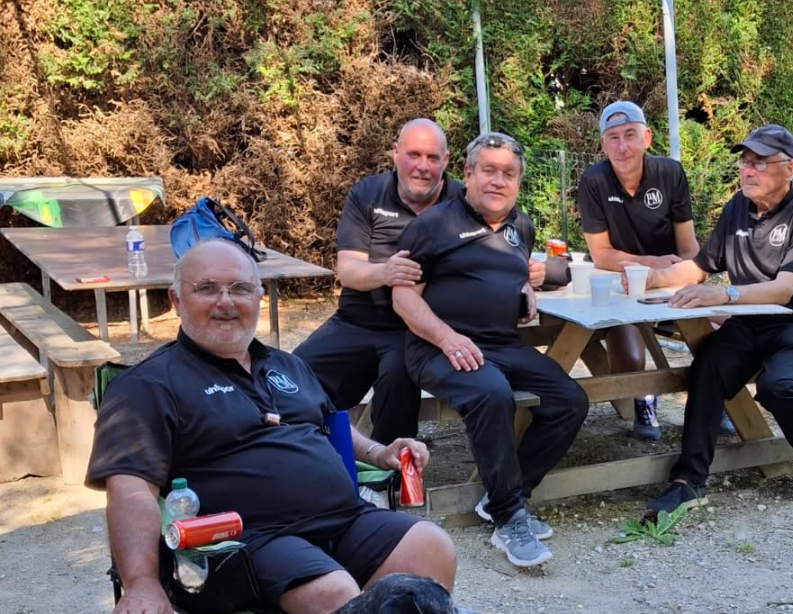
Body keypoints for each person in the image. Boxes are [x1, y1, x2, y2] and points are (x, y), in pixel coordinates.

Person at [86, 238, 515, 614]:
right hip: (244, 543)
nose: (225, 302)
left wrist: (384, 453)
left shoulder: (287, 365)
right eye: (207, 289)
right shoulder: (150, 386)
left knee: (430, 546)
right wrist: (142, 581)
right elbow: (129, 487)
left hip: (338, 518)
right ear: (176, 299)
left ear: (260, 298)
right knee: (341, 599)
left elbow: (332, 431)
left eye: (239, 288)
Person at [392, 132, 589, 568]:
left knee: (570, 400)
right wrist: (447, 338)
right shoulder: (433, 225)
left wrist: (525, 290)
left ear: (518, 182)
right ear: (467, 174)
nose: (499, 181)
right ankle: (508, 518)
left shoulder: (521, 225)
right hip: (436, 348)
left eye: (509, 174)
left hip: (501, 344)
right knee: (491, 393)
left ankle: (506, 496)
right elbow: (402, 297)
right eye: (489, 170)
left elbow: (514, 274)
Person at [640, 124, 793, 514]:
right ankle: (689, 481)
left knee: (778, 385)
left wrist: (725, 294)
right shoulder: (738, 205)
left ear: (789, 169)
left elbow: (783, 290)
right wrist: (652, 280)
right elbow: (701, 266)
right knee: (706, 368)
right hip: (753, 319)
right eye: (744, 162)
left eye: (759, 163)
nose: (747, 170)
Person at [291, 119, 459, 444]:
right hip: (355, 321)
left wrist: (526, 277)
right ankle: (314, 456)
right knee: (292, 376)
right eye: (413, 154)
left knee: (398, 378)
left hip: (414, 331)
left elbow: (496, 249)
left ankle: (390, 478)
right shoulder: (368, 193)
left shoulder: (462, 202)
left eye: (432, 157)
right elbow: (348, 269)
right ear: (395, 153)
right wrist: (386, 272)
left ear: (446, 161)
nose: (422, 166)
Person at [577, 100, 699, 441]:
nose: (622, 145)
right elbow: (600, 255)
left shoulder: (670, 173)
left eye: (630, 135)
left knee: (715, 333)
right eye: (613, 137)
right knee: (629, 355)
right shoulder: (593, 180)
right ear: (603, 145)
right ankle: (644, 403)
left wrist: (682, 274)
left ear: (647, 137)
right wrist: (650, 264)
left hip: (671, 282)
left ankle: (714, 404)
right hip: (621, 284)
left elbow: (689, 249)